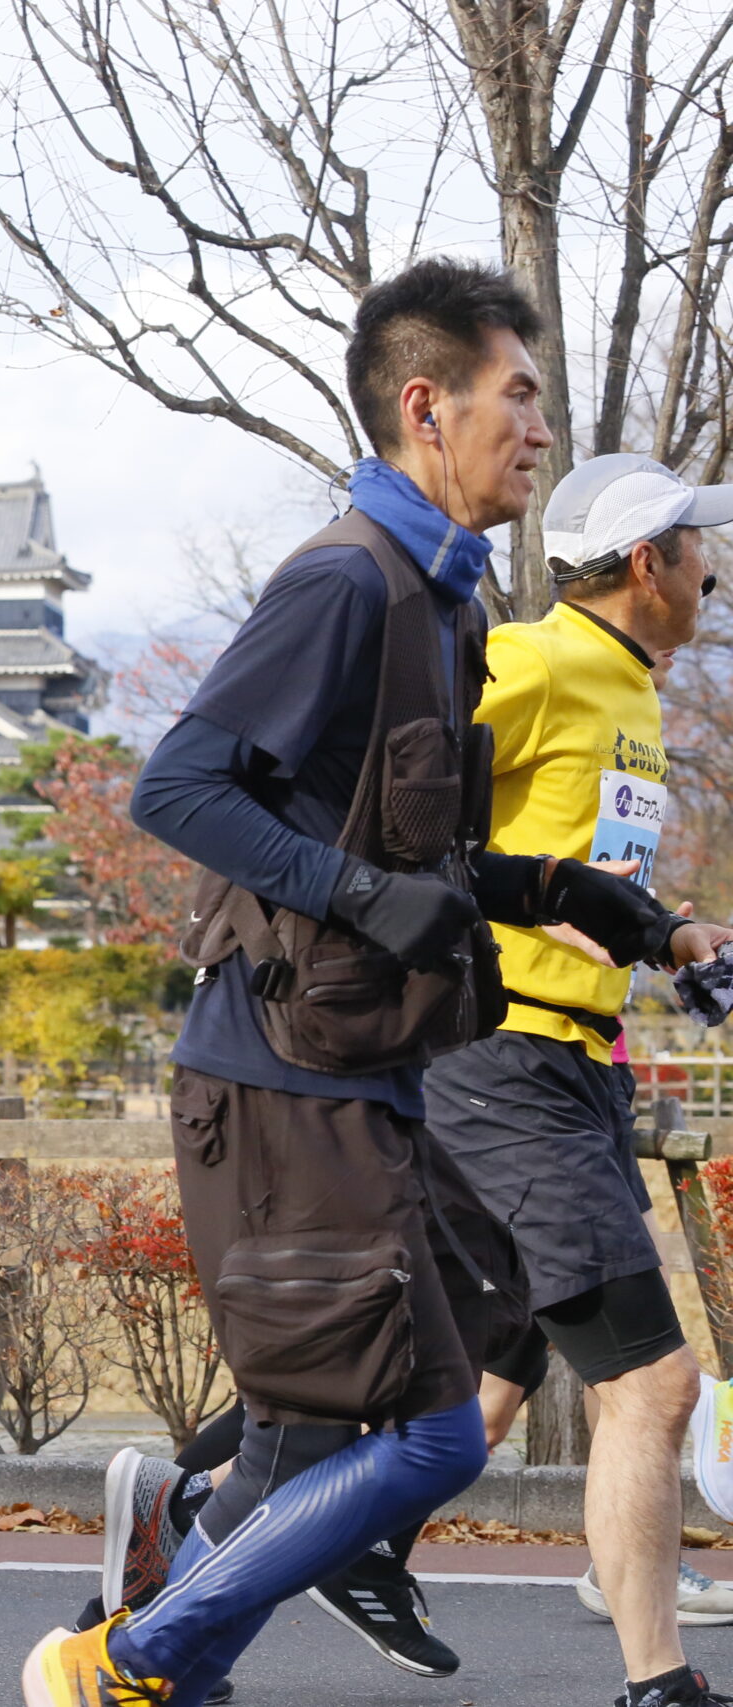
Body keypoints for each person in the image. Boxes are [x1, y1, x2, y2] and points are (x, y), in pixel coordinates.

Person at [24, 260, 725, 1707]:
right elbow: (181, 783)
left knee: (338, 1421)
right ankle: (134, 1655)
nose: (539, 428)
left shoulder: (447, 606)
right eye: (517, 394)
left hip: (369, 1064)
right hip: (279, 1067)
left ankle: (161, 1638)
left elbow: (427, 845)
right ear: (428, 405)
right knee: (426, 1431)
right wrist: (355, 894)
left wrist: (560, 891)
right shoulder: (348, 578)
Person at [422, 451, 733, 1692]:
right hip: (498, 1058)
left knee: (478, 1372)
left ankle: (205, 1523)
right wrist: (509, 906)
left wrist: (669, 936)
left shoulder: (633, 692)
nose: (714, 572)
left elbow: (585, 865)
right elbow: (402, 819)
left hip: (572, 1064)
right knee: (654, 1383)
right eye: (697, 551)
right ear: (648, 565)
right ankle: (657, 1677)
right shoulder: (531, 659)